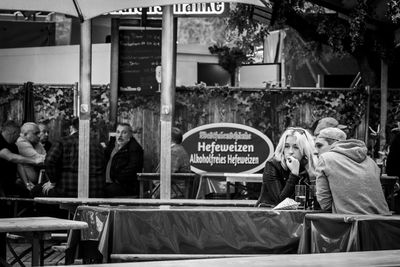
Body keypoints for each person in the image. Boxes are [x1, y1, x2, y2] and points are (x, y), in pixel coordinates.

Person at [315, 127, 390, 215]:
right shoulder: (371, 162)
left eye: (319, 145)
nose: (315, 151)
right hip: (383, 222)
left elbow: (325, 204)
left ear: (335, 143)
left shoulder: (326, 158)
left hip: (351, 223)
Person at [37, 118, 105, 197]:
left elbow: (49, 161)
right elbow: (103, 166)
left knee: (36, 190)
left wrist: (53, 181)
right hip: (95, 191)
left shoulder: (62, 142)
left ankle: (57, 209)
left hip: (67, 190)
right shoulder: (98, 145)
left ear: (71, 128)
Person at [256, 127, 318, 206]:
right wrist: (294, 174)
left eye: (296, 147)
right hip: (270, 215)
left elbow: (315, 203)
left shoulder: (309, 166)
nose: (290, 151)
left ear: (305, 150)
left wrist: (312, 178)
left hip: (301, 215)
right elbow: (280, 202)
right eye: (287, 146)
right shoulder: (273, 164)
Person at [0, 120, 43, 197]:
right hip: (1, 184)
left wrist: (27, 184)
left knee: (29, 194)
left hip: (9, 183)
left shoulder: (14, 146)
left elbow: (19, 164)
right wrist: (35, 161)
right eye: (18, 133)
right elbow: (10, 157)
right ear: (13, 132)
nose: (19, 136)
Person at [104, 123, 144, 197]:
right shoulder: (112, 145)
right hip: (108, 182)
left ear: (130, 134)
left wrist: (117, 179)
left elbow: (132, 168)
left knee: (104, 191)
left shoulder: (134, 148)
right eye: (118, 132)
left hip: (124, 186)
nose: (120, 135)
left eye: (124, 132)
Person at [153, 127, 191, 198]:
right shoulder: (179, 149)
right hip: (175, 191)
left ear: (169, 138)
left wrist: (154, 194)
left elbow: (163, 175)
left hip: (173, 193)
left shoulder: (174, 152)